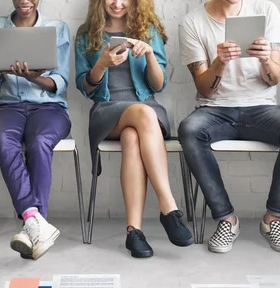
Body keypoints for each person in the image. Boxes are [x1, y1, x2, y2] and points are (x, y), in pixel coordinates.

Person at [178, 0, 280, 254]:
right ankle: (227, 220)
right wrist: (219, 62)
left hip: (261, 107)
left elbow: (274, 79)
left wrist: (264, 60)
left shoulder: (266, 10)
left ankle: (272, 219)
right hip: (215, 109)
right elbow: (203, 88)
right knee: (189, 129)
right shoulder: (193, 22)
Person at [75, 0, 194, 259]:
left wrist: (150, 53)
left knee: (132, 137)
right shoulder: (87, 34)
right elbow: (85, 87)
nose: (117, 4)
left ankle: (134, 232)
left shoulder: (148, 30)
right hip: (107, 112)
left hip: (145, 113)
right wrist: (102, 64)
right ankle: (169, 207)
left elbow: (159, 85)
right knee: (142, 113)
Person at [0, 0, 70, 260]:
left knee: (40, 141)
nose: (24, 0)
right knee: (4, 141)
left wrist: (33, 77)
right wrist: (0, 69)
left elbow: (61, 82)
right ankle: (35, 222)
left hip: (49, 109)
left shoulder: (57, 28)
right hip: (6, 107)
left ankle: (31, 225)